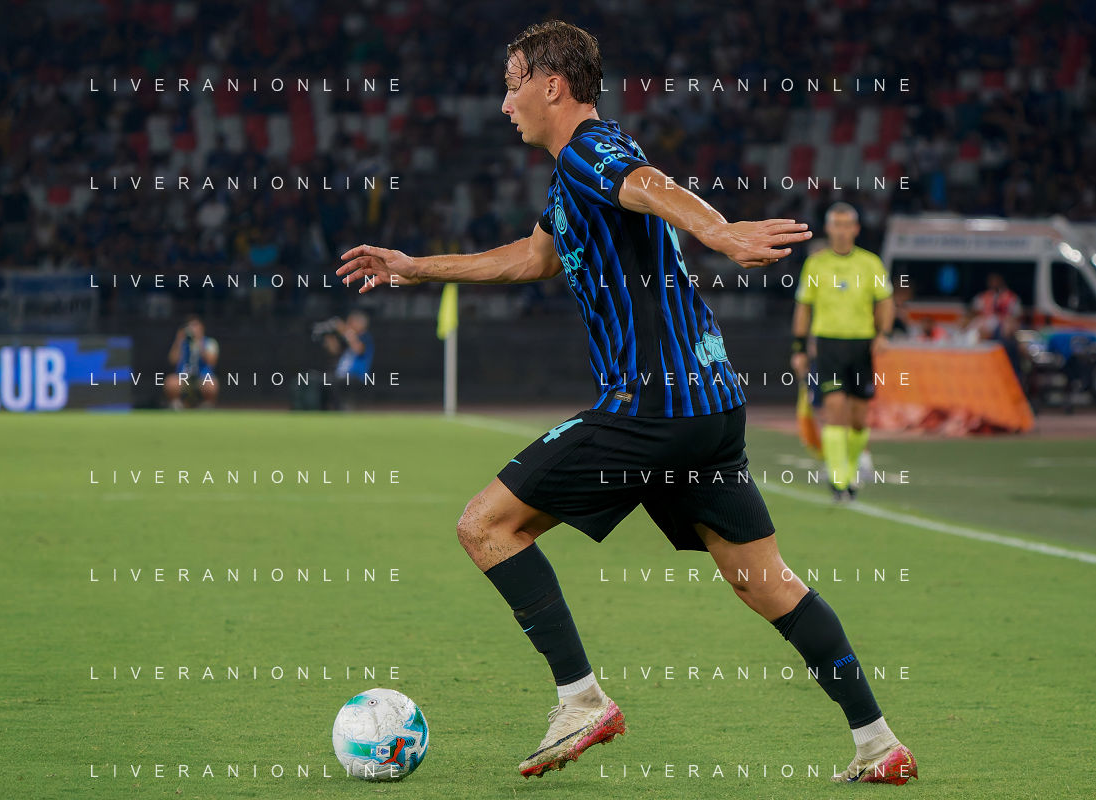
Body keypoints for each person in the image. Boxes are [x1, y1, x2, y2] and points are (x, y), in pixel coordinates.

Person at [337, 21, 916, 786]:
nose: (504, 103)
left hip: (653, 404)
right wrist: (417, 267)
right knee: (764, 582)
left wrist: (720, 233)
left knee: (485, 525)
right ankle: (877, 743)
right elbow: (531, 257)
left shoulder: (592, 151)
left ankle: (580, 700)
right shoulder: (570, 178)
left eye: (512, 84)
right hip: (709, 404)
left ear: (552, 85)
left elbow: (648, 184)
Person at [791, 203, 895, 503]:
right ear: (828, 228)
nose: (841, 230)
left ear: (856, 229)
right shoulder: (816, 264)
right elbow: (803, 307)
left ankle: (851, 468)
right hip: (829, 346)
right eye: (836, 224)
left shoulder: (870, 263)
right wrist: (799, 347)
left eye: (846, 225)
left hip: (861, 346)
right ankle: (839, 480)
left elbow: (885, 301)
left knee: (859, 418)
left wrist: (884, 334)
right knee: (834, 410)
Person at [164, 316, 219, 409]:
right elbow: (172, 360)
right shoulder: (182, 343)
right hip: (184, 376)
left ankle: (206, 405)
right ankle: (177, 405)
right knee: (170, 382)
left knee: (212, 384)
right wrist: (178, 340)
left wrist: (199, 342)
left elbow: (212, 361)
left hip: (202, 377)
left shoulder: (209, 342)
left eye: (195, 326)